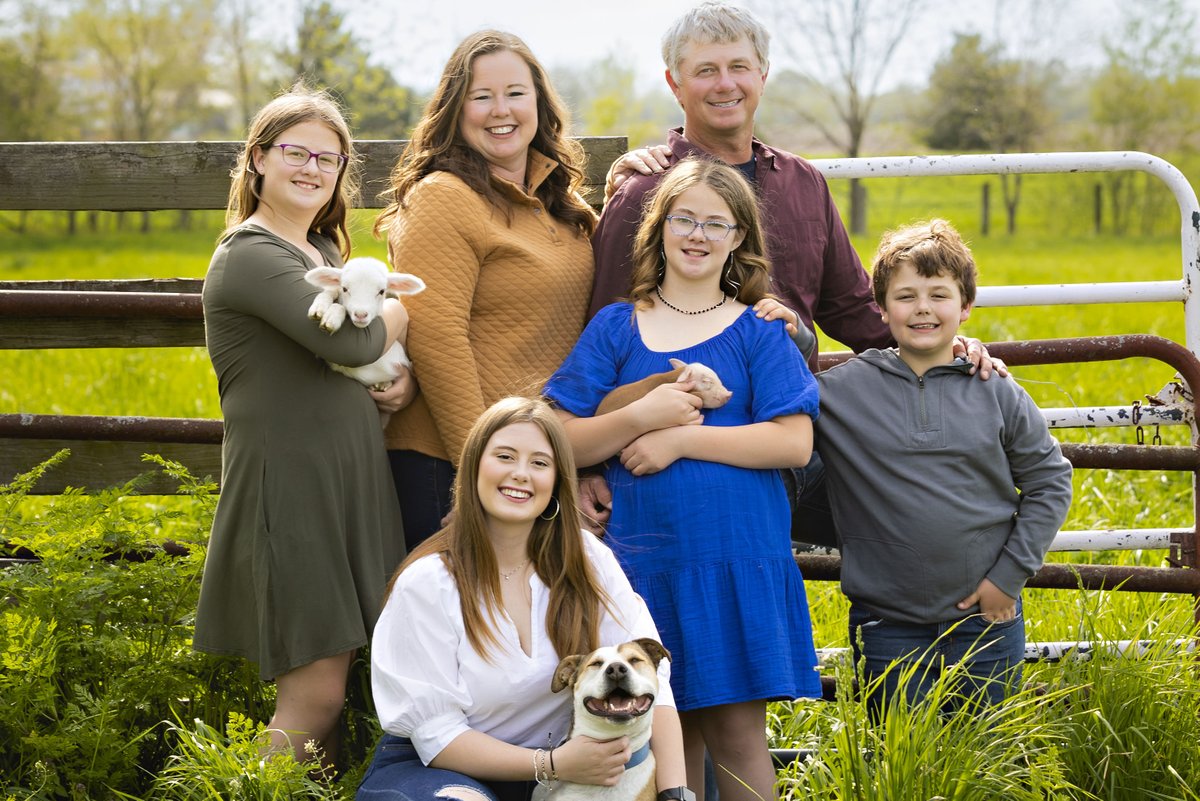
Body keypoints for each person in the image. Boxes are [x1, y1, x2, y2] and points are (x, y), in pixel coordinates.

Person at [584, 1, 1003, 546]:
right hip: (688, 438)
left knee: (936, 517)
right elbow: (598, 336)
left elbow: (855, 311)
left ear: (763, 74)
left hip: (796, 430)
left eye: (738, 67)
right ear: (675, 83)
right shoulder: (646, 194)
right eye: (705, 70)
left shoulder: (803, 182)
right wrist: (586, 466)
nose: (724, 84)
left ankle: (903, 629)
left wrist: (952, 349)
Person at [545, 158, 821, 801]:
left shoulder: (758, 330)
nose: (697, 235)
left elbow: (794, 441)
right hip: (641, 565)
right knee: (663, 739)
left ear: (738, 241)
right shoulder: (617, 326)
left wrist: (678, 441)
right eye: (684, 219)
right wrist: (626, 429)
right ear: (659, 228)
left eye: (715, 224)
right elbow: (558, 431)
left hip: (733, 558)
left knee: (736, 735)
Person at [195, 86, 409, 768]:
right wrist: (399, 318)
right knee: (314, 695)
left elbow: (351, 360)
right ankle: (257, 787)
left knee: (338, 687)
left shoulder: (320, 249)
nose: (313, 167)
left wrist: (392, 381)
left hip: (346, 482)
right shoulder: (250, 253)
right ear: (257, 159)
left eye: (330, 157)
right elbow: (351, 344)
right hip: (292, 489)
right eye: (296, 152)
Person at [358, 396, 688, 801]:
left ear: (557, 482)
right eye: (505, 456)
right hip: (441, 769)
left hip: (566, 767)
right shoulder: (428, 583)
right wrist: (555, 765)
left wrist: (675, 794)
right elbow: (438, 737)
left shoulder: (587, 559)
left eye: (539, 463)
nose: (521, 474)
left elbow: (655, 684)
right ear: (474, 467)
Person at [815, 219, 1073, 714]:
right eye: (906, 296)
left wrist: (1007, 578)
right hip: (885, 620)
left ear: (965, 307)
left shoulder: (994, 390)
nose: (924, 309)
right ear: (882, 307)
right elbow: (773, 415)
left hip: (987, 614)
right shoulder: (840, 393)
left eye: (939, 295)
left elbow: (1050, 481)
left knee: (984, 751)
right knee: (900, 755)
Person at [371, 30, 597, 551]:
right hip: (451, 465)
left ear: (539, 101)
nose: (502, 110)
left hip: (534, 459)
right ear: (456, 109)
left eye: (516, 93)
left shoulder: (558, 205)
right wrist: (478, 472)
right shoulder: (443, 198)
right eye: (481, 96)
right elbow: (436, 338)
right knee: (463, 627)